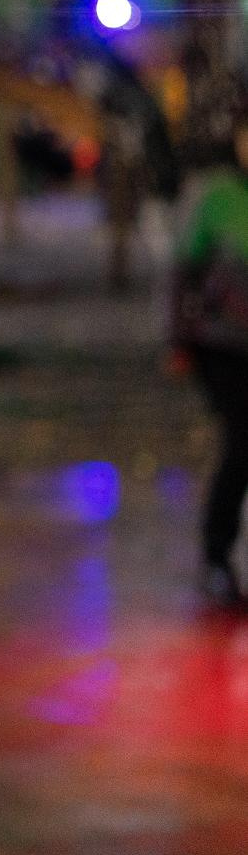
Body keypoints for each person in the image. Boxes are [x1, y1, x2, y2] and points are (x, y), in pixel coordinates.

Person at [169, 122, 248, 609]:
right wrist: (178, 338)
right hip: (222, 344)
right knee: (243, 440)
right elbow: (183, 270)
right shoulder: (216, 196)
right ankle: (215, 554)